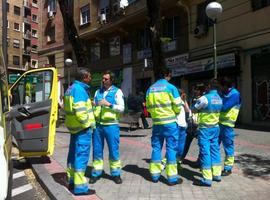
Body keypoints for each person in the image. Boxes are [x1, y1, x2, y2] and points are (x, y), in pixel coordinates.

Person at [146, 68, 182, 186]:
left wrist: (156, 116)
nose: (170, 78)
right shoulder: (172, 88)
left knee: (156, 148)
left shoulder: (150, 89)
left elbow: (149, 108)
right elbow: (178, 106)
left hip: (157, 124)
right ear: (167, 75)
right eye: (170, 76)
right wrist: (174, 113)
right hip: (170, 123)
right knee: (171, 149)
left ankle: (155, 175)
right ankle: (172, 178)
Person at [64, 68, 96, 195]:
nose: (90, 78)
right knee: (81, 156)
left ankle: (72, 181)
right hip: (82, 128)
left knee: (72, 155)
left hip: (74, 128)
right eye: (89, 76)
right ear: (84, 77)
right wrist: (87, 125)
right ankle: (81, 187)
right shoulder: (80, 90)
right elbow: (80, 111)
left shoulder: (71, 88)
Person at [90, 70, 125, 184]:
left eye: (106, 79)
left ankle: (115, 174)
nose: (103, 80)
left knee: (113, 150)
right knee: (97, 150)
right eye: (103, 78)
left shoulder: (117, 91)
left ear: (112, 80)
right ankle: (96, 172)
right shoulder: (97, 92)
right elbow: (95, 106)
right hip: (98, 126)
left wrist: (109, 104)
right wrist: (93, 105)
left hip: (111, 125)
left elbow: (122, 108)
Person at [192, 79, 223, 187]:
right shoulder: (219, 98)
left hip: (205, 129)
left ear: (209, 86)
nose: (205, 88)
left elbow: (194, 109)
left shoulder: (204, 98)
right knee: (215, 150)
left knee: (205, 152)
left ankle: (207, 178)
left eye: (206, 86)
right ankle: (217, 174)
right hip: (215, 128)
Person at [219, 77, 241, 176]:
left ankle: (228, 168)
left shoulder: (235, 94)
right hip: (218, 123)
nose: (220, 89)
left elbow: (224, 107)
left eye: (221, 87)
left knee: (228, 147)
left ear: (225, 86)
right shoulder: (223, 93)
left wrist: (216, 101)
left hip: (227, 125)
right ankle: (210, 165)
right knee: (214, 144)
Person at [176, 89, 190, 169]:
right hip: (179, 125)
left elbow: (187, 111)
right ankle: (174, 162)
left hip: (181, 125)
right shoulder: (178, 101)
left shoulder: (181, 101)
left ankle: (176, 162)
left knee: (178, 145)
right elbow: (187, 111)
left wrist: (184, 101)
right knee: (177, 145)